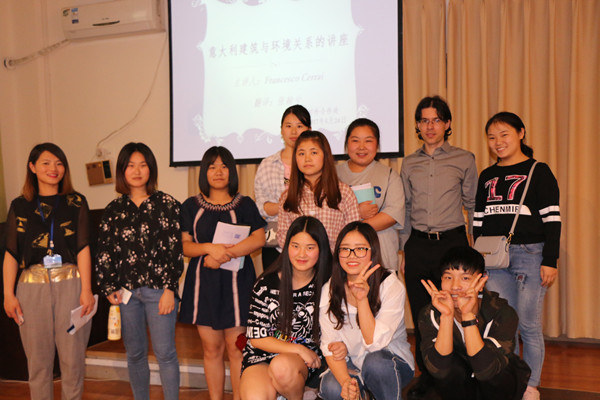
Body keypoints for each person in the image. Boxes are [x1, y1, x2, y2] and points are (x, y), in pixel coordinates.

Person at [474, 112, 561, 400]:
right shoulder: (486, 176)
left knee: (528, 324)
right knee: (502, 323)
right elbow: (478, 221)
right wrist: (477, 260)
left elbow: (552, 220)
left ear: (521, 133)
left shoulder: (539, 171)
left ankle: (530, 386)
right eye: (491, 137)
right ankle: (508, 381)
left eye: (504, 134)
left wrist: (550, 260)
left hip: (530, 255)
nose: (497, 142)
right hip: (493, 258)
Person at [399, 95, 478, 398]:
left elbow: (472, 205)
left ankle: (459, 375)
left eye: (436, 120)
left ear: (447, 124)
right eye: (424, 120)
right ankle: (427, 377)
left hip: (453, 244)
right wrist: (403, 250)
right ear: (417, 126)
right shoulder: (409, 163)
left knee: (456, 311)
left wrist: (473, 249)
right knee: (422, 315)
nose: (430, 126)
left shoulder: (464, 159)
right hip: (418, 245)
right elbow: (406, 209)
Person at [3, 143, 95, 399]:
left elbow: (83, 247)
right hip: (31, 289)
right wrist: (8, 294)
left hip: (71, 285)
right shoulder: (20, 206)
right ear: (32, 167)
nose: (53, 168)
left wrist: (87, 290)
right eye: (46, 163)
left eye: (59, 163)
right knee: (38, 362)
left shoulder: (76, 202)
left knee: (73, 360)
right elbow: (11, 253)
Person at [96, 142, 184, 400]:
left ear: (151, 169)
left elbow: (175, 250)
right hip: (126, 294)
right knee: (134, 354)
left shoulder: (167, 204)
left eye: (143, 165)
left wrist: (170, 289)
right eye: (130, 166)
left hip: (159, 292)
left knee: (165, 353)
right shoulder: (113, 210)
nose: (137, 171)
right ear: (122, 171)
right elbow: (105, 252)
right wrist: (108, 287)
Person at [179, 146, 266, 400]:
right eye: (212, 166)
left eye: (224, 166)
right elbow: (184, 246)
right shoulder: (190, 206)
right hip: (203, 284)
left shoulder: (245, 204)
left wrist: (224, 254)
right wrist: (209, 248)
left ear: (232, 171)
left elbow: (259, 238)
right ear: (204, 172)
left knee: (237, 348)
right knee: (211, 349)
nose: (218, 171)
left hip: (238, 284)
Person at [419, 246, 531, 400]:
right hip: (461, 383)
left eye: (465, 278)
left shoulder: (502, 313)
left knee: (496, 374)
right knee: (449, 371)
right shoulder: (430, 314)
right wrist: (446, 316)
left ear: (481, 281)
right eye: (448, 277)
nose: (455, 286)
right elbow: (439, 370)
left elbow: (486, 371)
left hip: (497, 381)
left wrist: (467, 316)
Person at [319, 222, 415, 400]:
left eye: (360, 249)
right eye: (345, 249)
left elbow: (375, 344)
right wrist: (347, 383)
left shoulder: (390, 285)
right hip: (351, 362)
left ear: (373, 251)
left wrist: (362, 300)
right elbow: (329, 346)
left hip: (389, 362)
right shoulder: (330, 289)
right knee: (333, 387)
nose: (352, 255)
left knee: (375, 364)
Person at [240, 216, 331, 400]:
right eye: (295, 246)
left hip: (308, 362)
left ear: (321, 249)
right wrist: (298, 349)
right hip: (262, 356)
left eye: (310, 247)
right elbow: (257, 338)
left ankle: (303, 392)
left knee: (282, 368)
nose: (301, 254)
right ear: (286, 246)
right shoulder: (266, 284)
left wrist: (303, 352)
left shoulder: (328, 285)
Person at [336, 118, 405, 271]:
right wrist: (357, 213)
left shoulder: (389, 175)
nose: (361, 147)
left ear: (377, 145)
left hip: (382, 258)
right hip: (345, 260)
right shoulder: (333, 175)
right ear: (347, 144)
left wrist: (354, 223)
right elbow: (327, 215)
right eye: (355, 140)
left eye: (368, 141)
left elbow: (392, 215)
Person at [277, 130, 359, 252]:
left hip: (334, 260)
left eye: (314, 152)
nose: (307, 159)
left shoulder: (344, 192)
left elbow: (353, 233)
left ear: (325, 156)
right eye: (301, 153)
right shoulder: (287, 197)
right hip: (301, 260)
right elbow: (283, 236)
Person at [254, 105, 312, 270]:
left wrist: (284, 206)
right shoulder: (267, 164)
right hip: (275, 242)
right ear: (281, 130)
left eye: (299, 126)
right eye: (288, 126)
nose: (293, 131)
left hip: (309, 241)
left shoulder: (314, 164)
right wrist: (287, 205)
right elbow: (260, 206)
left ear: (309, 130)